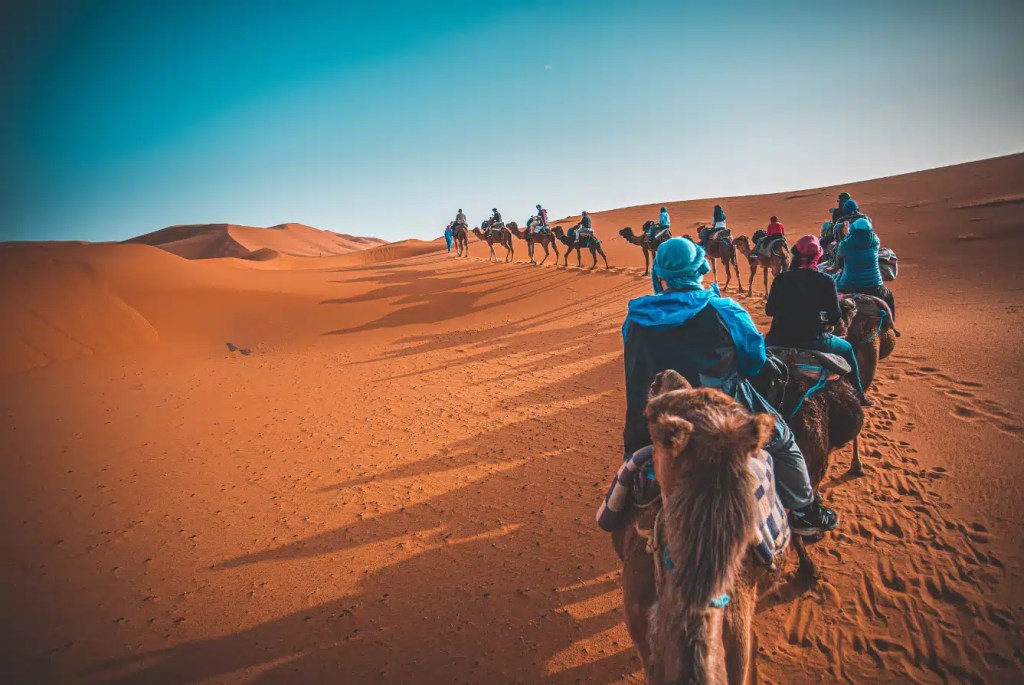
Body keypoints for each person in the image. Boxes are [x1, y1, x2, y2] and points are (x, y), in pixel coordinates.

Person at [621, 237, 839, 536]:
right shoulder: (725, 310)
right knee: (785, 442)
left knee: (636, 461)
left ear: (659, 273)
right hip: (722, 418)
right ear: (701, 267)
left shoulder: (634, 317)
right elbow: (754, 363)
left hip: (650, 421)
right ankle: (804, 512)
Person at [765, 235, 873, 406]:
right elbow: (836, 317)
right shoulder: (826, 281)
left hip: (778, 339)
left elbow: (769, 311)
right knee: (847, 349)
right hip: (813, 341)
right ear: (818, 257)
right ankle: (859, 394)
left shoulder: (781, 279)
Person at [834, 216, 896, 319]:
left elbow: (838, 265)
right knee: (889, 296)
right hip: (874, 286)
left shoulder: (844, 244)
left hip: (848, 285)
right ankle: (890, 325)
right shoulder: (875, 241)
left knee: (831, 295)